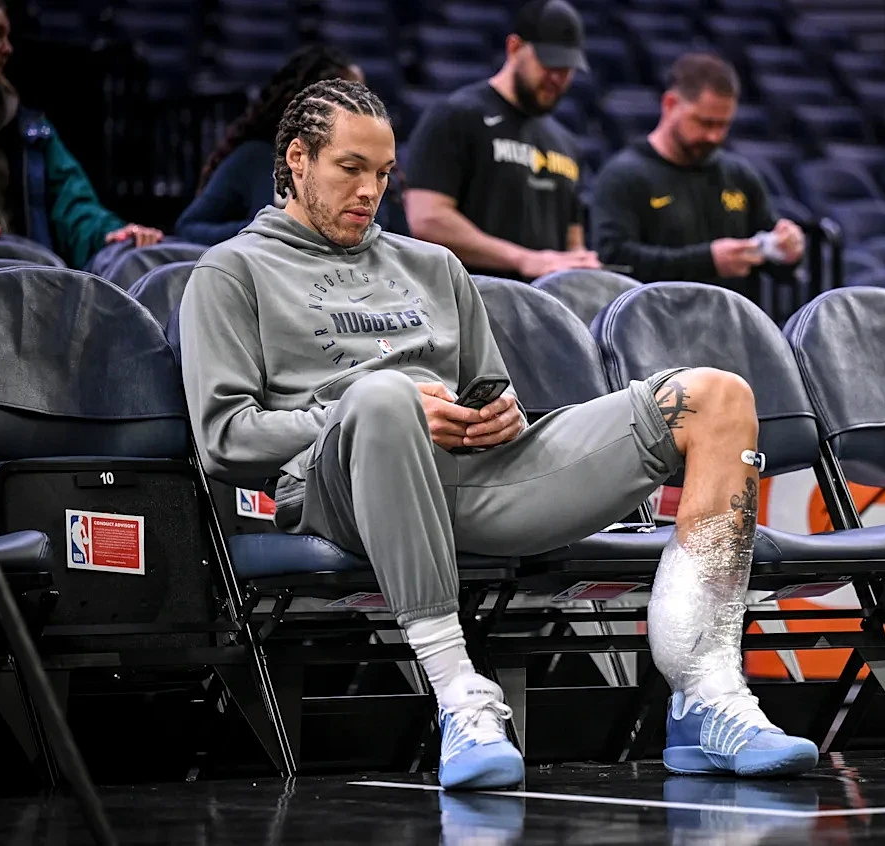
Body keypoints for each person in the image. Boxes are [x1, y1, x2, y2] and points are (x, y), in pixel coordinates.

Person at [179, 78, 819, 791]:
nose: (369, 192)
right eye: (350, 168)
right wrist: (369, 411)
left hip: (476, 479)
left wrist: (502, 415)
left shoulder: (433, 266)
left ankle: (706, 693)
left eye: (384, 174)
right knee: (386, 396)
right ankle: (461, 697)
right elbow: (224, 440)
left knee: (716, 397)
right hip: (345, 492)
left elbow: (492, 391)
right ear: (298, 159)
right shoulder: (231, 271)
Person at [403, 0, 600, 281]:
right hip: (470, 297)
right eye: (548, 62)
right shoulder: (456, 116)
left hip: (542, 303)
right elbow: (427, 219)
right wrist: (522, 259)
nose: (557, 77)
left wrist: (580, 261)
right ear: (514, 47)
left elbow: (573, 241)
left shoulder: (567, 142)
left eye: (567, 68)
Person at [591, 53, 805, 304]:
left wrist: (788, 250)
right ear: (670, 104)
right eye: (704, 123)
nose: (714, 136)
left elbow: (774, 261)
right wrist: (707, 261)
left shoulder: (739, 175)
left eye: (723, 125)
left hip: (732, 322)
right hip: (654, 319)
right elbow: (614, 260)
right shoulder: (623, 175)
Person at [0, 0, 163, 267]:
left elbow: (74, 204)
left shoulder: (31, 132)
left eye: (7, 37)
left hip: (30, 282)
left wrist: (113, 232)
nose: (7, 49)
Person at [175, 44, 410, 245]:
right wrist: (265, 229)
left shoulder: (378, 167)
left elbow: (403, 243)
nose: (358, 104)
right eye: (349, 168)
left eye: (361, 94)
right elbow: (189, 227)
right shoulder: (254, 157)